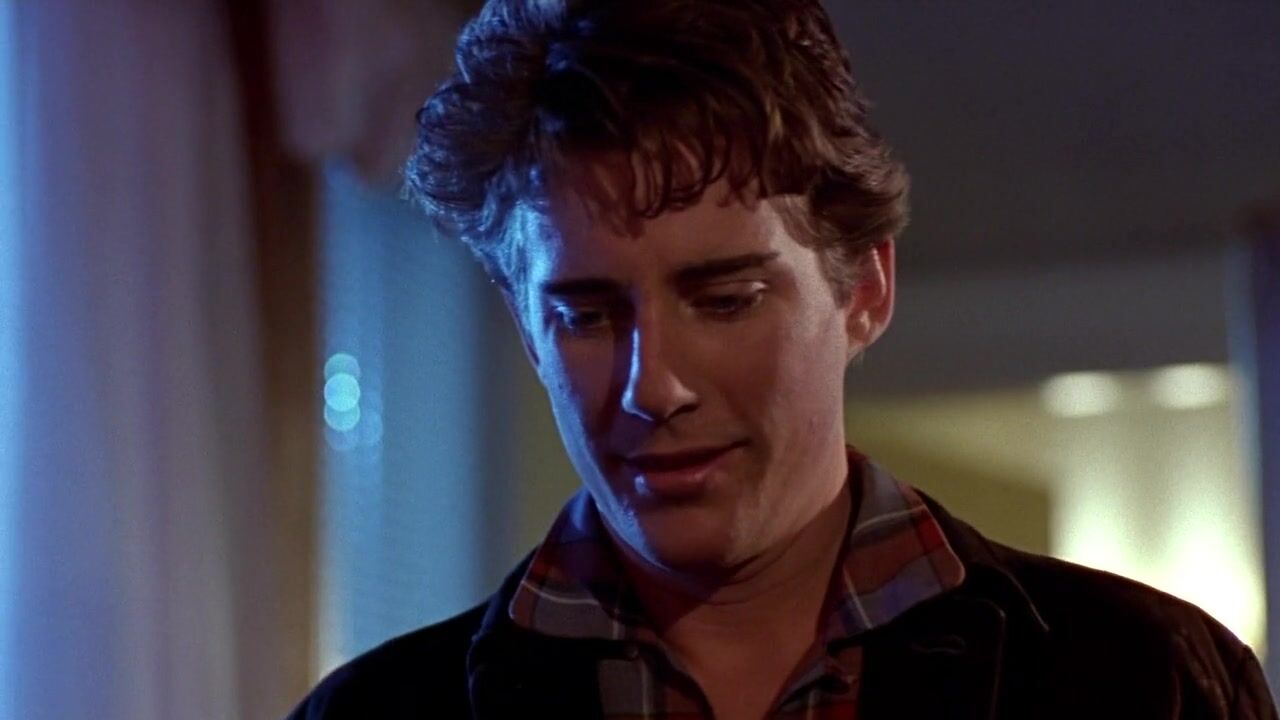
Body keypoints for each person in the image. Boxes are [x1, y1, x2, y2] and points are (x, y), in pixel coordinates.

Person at [288, 1, 1278, 717]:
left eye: (725, 299)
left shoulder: (1143, 681)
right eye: (586, 314)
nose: (653, 387)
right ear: (524, 327)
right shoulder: (376, 712)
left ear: (864, 289)